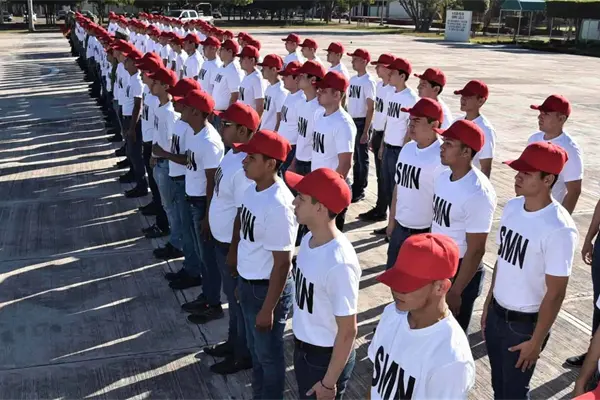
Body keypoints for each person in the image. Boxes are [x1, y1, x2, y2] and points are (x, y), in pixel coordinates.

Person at [483, 142, 577, 399]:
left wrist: (536, 341)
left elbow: (556, 293)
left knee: (514, 393)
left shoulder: (559, 228)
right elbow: (502, 260)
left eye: (526, 173)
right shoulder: (513, 207)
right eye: (518, 171)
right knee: (498, 386)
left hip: (523, 326)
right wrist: (489, 303)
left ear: (548, 180)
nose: (518, 177)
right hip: (496, 315)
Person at [230, 130, 297, 400]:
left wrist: (268, 309)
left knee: (268, 357)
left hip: (266, 291)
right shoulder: (252, 189)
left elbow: (282, 264)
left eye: (252, 157)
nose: (244, 161)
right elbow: (243, 228)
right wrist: (240, 276)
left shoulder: (279, 205)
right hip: (249, 284)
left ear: (271, 164)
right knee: (257, 353)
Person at [369, 233, 476, 398]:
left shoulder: (451, 359)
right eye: (396, 279)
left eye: (407, 284)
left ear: (441, 287)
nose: (396, 289)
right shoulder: (391, 313)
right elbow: (376, 384)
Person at [286, 168, 360, 400]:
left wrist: (328, 383)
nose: (294, 202)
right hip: (304, 349)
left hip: (323, 360)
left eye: (301, 198)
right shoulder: (309, 239)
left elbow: (348, 331)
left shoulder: (339, 263)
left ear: (319, 208)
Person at [203, 103, 259, 375]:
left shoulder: (245, 166)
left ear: (244, 131)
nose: (221, 127)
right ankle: (233, 342)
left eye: (226, 124)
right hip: (221, 241)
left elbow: (241, 214)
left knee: (238, 304)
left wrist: (234, 252)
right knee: (232, 301)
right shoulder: (232, 154)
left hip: (230, 246)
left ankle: (242, 354)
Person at [432, 119, 497, 332]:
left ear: (466, 152)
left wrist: (456, 290)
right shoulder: (443, 177)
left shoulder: (478, 193)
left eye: (449, 144)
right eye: (444, 142)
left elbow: (476, 249)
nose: (442, 147)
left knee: (450, 333)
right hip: (437, 262)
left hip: (459, 270)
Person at [176, 90, 225, 312]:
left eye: (185, 106)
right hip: (193, 199)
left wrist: (207, 216)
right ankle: (207, 294)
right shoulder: (194, 133)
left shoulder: (209, 141)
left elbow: (212, 182)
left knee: (208, 258)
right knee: (201, 253)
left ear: (196, 112)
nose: (181, 109)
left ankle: (212, 302)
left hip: (202, 204)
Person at [386, 98, 445, 270]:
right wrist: (391, 221)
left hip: (424, 233)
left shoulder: (441, 157)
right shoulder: (408, 149)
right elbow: (398, 187)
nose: (411, 125)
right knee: (392, 276)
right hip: (399, 229)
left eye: (417, 121)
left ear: (434, 124)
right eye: (410, 120)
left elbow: (441, 202)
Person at [153, 78, 202, 264]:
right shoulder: (181, 121)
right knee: (178, 218)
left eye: (178, 97)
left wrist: (163, 154)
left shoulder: (189, 126)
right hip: (175, 175)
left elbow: (188, 158)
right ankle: (186, 260)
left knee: (187, 228)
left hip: (183, 179)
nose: (173, 99)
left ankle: (190, 265)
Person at [376, 57, 418, 236]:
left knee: (398, 190)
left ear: (402, 76)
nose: (389, 75)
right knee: (387, 186)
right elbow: (388, 121)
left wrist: (405, 151)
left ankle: (396, 227)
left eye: (393, 73)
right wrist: (382, 145)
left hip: (399, 150)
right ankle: (389, 223)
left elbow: (410, 127)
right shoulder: (391, 94)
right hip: (388, 146)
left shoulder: (410, 98)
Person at [312, 71, 355, 232]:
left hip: (331, 190)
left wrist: (328, 194)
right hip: (318, 185)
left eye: (323, 91)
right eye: (318, 89)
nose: (318, 93)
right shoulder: (319, 115)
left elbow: (345, 165)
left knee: (327, 236)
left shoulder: (343, 124)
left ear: (336, 95)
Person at [528, 94, 583, 216]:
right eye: (540, 112)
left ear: (561, 119)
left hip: (547, 215)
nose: (539, 117)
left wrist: (561, 220)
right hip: (526, 208)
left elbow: (574, 191)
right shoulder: (533, 139)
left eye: (546, 114)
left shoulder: (570, 149)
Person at [358, 53, 396, 223]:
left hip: (386, 135)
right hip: (378, 132)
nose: (376, 69)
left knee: (386, 177)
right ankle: (380, 207)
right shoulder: (380, 86)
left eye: (380, 66)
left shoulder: (392, 90)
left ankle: (384, 211)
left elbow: (389, 119)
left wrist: (382, 142)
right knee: (380, 176)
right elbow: (377, 113)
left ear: (388, 69)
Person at [137, 52, 171, 240]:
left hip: (156, 147)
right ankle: (158, 212)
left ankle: (163, 223)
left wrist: (154, 150)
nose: (141, 75)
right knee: (155, 185)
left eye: (144, 72)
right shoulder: (150, 94)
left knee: (161, 191)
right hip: (150, 142)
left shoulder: (158, 99)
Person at [346, 48, 376, 203]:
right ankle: (356, 185)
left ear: (364, 61)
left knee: (361, 157)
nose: (353, 62)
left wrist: (366, 130)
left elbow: (371, 107)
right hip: (352, 120)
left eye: (356, 59)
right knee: (355, 157)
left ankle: (360, 189)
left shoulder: (368, 81)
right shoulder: (353, 80)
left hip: (361, 121)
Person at [289, 60, 326, 176]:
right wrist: (294, 163)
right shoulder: (301, 104)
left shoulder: (320, 110)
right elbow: (301, 137)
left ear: (313, 80)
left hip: (311, 165)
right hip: (299, 161)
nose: (298, 78)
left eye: (302, 76)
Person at [454, 80, 497, 178]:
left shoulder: (486, 130)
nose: (463, 99)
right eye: (462, 96)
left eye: (468, 97)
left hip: (468, 181)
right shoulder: (457, 122)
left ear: (481, 101)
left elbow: (486, 167)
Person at [120, 46, 147, 198]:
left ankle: (141, 184)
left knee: (136, 154)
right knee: (131, 151)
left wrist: (132, 128)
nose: (125, 62)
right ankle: (133, 175)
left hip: (133, 121)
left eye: (128, 60)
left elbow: (138, 105)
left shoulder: (137, 80)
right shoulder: (131, 77)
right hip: (127, 117)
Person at [276, 61, 306, 173]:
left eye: (286, 76)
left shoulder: (302, 100)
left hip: (292, 149)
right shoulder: (290, 95)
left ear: (297, 78)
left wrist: (294, 161)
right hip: (283, 147)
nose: (283, 78)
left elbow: (302, 135)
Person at [212, 39, 244, 130]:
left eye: (222, 49)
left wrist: (228, 117)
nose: (219, 51)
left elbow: (235, 95)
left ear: (230, 52)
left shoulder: (233, 70)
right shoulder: (222, 67)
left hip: (224, 114)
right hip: (216, 112)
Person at [259, 54, 288, 132]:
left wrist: (274, 135)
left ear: (274, 70)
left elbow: (280, 119)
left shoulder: (280, 92)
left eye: (264, 68)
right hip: (264, 131)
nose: (261, 70)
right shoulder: (269, 87)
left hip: (271, 134)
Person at [238, 45, 267, 116]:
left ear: (252, 60)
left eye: (242, 58)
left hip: (249, 119)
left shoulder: (257, 79)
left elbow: (260, 106)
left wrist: (255, 122)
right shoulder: (247, 75)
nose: (239, 60)